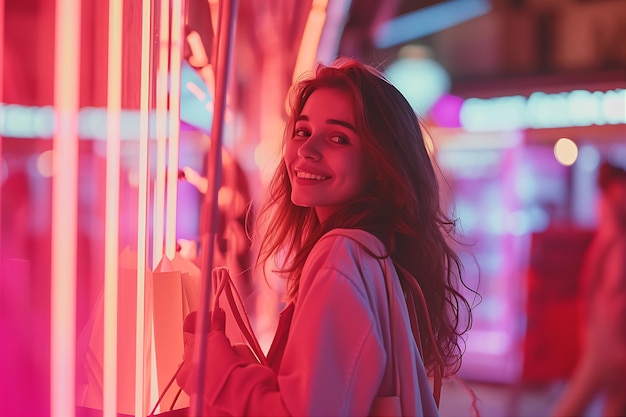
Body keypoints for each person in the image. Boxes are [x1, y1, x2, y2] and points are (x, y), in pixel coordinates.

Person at [175, 57, 475, 416]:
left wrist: (215, 371)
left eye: (338, 138)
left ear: (381, 165)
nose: (306, 150)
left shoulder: (340, 254)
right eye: (302, 131)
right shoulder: (375, 255)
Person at [551, 161, 626, 417]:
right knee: (578, 402)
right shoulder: (613, 236)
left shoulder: (610, 234)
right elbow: (612, 292)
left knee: (608, 403)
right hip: (609, 340)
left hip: (606, 338)